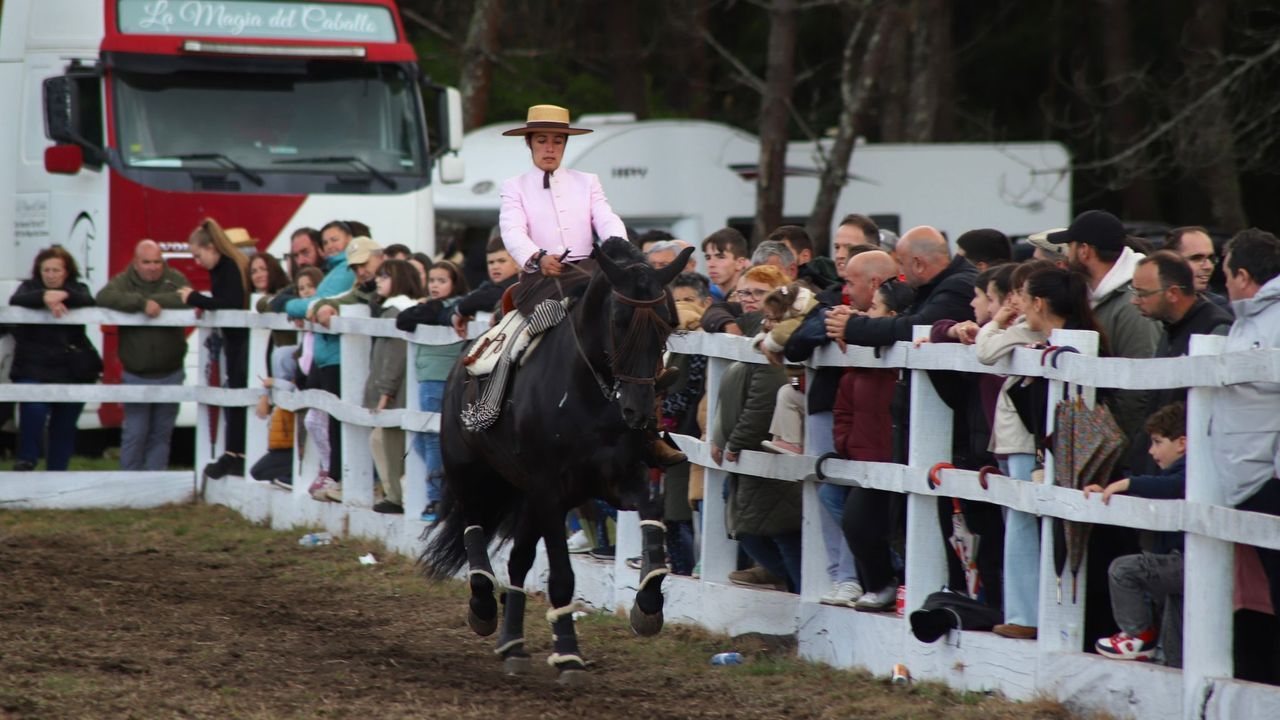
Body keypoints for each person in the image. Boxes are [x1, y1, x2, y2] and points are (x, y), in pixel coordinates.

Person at [986, 266, 1110, 640]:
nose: (1017, 302)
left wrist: (998, 323)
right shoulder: (1082, 335)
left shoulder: (1046, 337)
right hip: (1057, 447)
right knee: (1037, 522)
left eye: (1023, 295)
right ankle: (1035, 614)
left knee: (1029, 523)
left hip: (1051, 446)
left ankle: (1031, 615)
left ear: (1039, 302)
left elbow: (985, 350)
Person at [784, 247, 897, 606]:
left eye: (851, 279)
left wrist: (857, 327)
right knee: (829, 493)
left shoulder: (893, 306)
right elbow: (796, 343)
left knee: (855, 500)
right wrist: (836, 325)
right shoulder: (834, 298)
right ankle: (844, 576)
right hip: (835, 410)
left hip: (871, 423)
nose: (844, 284)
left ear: (874, 281)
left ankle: (867, 574)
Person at [712, 267, 799, 592]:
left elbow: (763, 402)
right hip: (748, 451)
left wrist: (734, 441)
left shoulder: (771, 337)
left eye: (758, 293)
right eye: (744, 292)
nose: (748, 299)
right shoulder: (747, 334)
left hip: (766, 451)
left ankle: (799, 591)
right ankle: (788, 582)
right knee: (754, 525)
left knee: (781, 530)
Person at [1209, 228, 1280, 616]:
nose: (1223, 280)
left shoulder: (1273, 317)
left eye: (1226, 270)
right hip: (1249, 476)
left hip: (1267, 476)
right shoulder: (1247, 319)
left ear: (1243, 276)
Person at [497, 104, 626, 315]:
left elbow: (606, 218)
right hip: (541, 277)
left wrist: (620, 247)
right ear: (529, 143)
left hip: (587, 271)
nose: (550, 148)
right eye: (542, 140)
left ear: (565, 144)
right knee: (540, 321)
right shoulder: (514, 186)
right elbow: (512, 230)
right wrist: (538, 258)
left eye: (557, 141)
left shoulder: (588, 181)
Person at [1085, 402, 1188, 666]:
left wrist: (1127, 483)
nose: (1151, 451)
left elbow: (1172, 486)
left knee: (1124, 570)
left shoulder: (1191, 472)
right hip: (1181, 564)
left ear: (1182, 443)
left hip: (1189, 562)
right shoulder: (1180, 471)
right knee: (1176, 643)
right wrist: (1116, 490)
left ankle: (1139, 636)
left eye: (1157, 442)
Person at [836, 278, 916, 610]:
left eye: (873, 308)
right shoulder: (861, 358)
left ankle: (910, 589)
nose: (865, 314)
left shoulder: (909, 362)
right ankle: (880, 584)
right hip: (869, 459)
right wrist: (846, 442)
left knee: (910, 529)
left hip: (904, 459)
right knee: (857, 523)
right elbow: (844, 406)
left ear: (893, 314)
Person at [1049, 210, 1160, 439]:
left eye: (1069, 246)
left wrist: (1116, 446)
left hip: (1123, 445)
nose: (1066, 255)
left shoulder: (1131, 304)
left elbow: (1139, 384)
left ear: (1084, 251)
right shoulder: (1096, 297)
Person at [1125, 251, 1231, 475]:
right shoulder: (1170, 327)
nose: (1134, 300)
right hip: (1161, 460)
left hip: (1190, 468)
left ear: (1173, 293)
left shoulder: (1216, 329)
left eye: (1142, 293)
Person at [95, 240, 191, 471]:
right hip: (136, 373)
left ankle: (154, 485)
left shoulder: (174, 278)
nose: (153, 267)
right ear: (136, 263)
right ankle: (128, 485)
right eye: (146, 262)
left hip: (171, 372)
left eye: (157, 261)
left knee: (161, 434)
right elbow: (103, 297)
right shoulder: (123, 280)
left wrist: (155, 302)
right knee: (135, 433)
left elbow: (187, 297)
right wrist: (140, 303)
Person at [8, 246, 97, 471]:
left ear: (66, 272)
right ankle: (26, 461)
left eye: (56, 270)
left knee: (64, 426)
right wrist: (44, 296)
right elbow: (16, 300)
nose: (51, 274)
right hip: (32, 368)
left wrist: (64, 294)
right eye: (46, 270)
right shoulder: (28, 288)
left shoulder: (77, 288)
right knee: (34, 410)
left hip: (71, 370)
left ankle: (58, 475)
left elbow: (88, 299)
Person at [285, 222, 356, 494]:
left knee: (337, 419)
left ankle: (336, 476)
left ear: (349, 239)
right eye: (326, 242)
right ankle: (333, 474)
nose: (331, 246)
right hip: (327, 355)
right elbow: (313, 303)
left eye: (335, 239)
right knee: (329, 418)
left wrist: (295, 306)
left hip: (336, 356)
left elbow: (313, 303)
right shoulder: (336, 269)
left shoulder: (344, 270)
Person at [396, 260, 470, 521]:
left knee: (433, 438)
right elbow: (403, 320)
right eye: (432, 280)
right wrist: (427, 309)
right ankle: (443, 494)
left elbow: (428, 315)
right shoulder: (432, 306)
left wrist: (429, 309)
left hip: (441, 376)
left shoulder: (460, 306)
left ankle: (436, 500)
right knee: (423, 438)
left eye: (442, 280)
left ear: (455, 282)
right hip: (428, 376)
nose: (435, 285)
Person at [179, 218, 251, 479]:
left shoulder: (228, 266)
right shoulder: (225, 267)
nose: (197, 262)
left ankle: (237, 453)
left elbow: (229, 302)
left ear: (211, 247)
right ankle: (233, 453)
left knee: (238, 394)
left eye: (199, 255)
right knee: (234, 394)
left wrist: (195, 298)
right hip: (235, 341)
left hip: (242, 341)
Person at [365, 260, 422, 514]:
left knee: (386, 441)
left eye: (385, 276)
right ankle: (394, 494)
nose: (378, 280)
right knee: (386, 441)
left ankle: (395, 497)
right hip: (400, 390)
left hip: (396, 392)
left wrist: (385, 391)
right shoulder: (397, 308)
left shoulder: (395, 311)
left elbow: (395, 355)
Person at [1164, 225, 1228, 309]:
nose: (1208, 267)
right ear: (1171, 262)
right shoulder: (1153, 307)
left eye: (1211, 258)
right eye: (1196, 258)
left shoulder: (1221, 306)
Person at [701, 228, 751, 302]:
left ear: (739, 263)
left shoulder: (753, 299)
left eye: (720, 257)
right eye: (708, 258)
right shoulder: (702, 298)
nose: (711, 264)